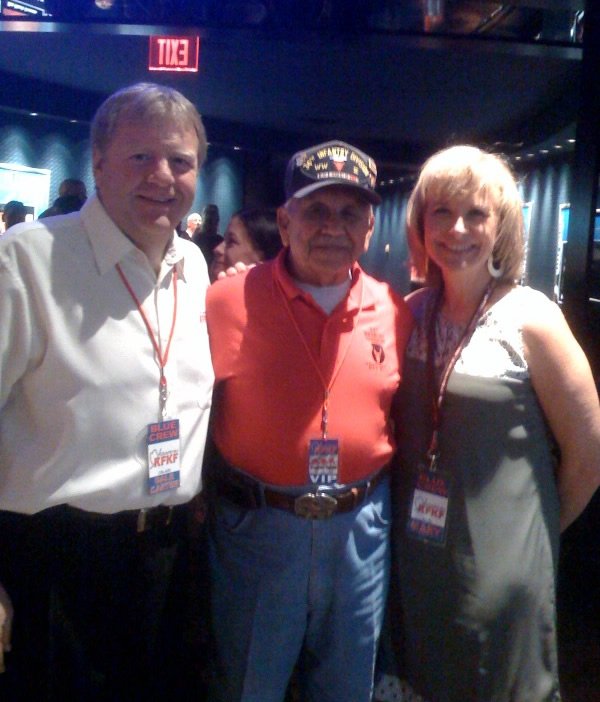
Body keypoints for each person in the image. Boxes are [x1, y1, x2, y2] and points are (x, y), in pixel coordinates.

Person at [0, 82, 214, 701]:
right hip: (59, 562)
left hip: (170, 556)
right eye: (140, 156)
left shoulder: (193, 266)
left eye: (180, 160)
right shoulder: (28, 260)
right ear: (97, 163)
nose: (162, 176)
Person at [374, 145, 600, 702]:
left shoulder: (532, 319)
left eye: (476, 213)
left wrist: (533, 536)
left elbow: (589, 456)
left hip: (502, 570)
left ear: (501, 226)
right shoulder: (411, 311)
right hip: (416, 561)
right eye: (442, 212)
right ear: (421, 223)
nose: (458, 229)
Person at [205, 140, 413, 702]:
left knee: (348, 686)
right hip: (258, 530)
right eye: (316, 210)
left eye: (349, 213)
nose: (332, 228)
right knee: (249, 686)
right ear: (284, 221)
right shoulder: (225, 302)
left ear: (369, 229)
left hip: (360, 530)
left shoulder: (393, 310)